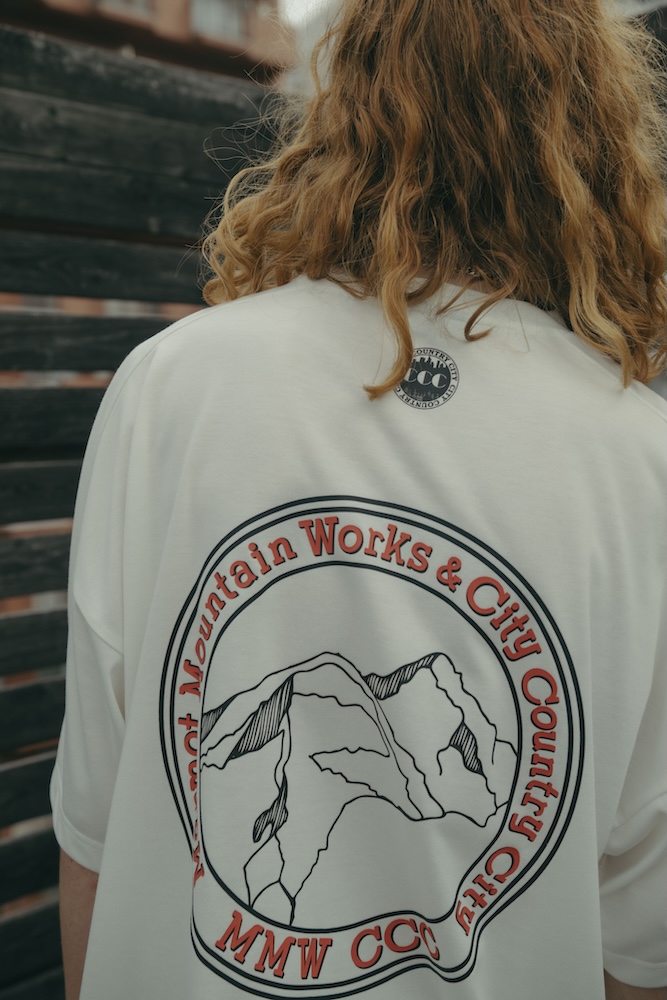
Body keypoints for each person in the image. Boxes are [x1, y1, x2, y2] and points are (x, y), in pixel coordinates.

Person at [51, 1, 667, 998]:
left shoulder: (170, 386)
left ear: (343, 112)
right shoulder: (642, 463)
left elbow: (95, 826)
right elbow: (640, 947)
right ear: (588, 140)